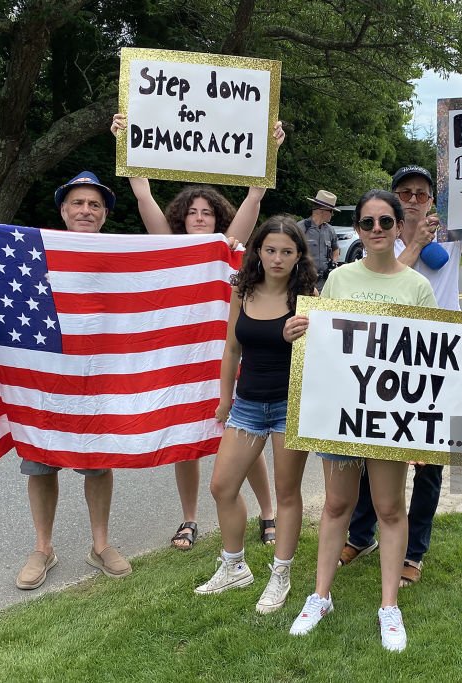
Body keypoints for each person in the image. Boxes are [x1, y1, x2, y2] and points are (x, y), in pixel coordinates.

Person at [0, 171, 132, 588]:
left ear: (104, 214)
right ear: (64, 209)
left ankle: (100, 545)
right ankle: (43, 548)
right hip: (45, 379)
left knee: (98, 465)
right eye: (78, 203)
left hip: (96, 380)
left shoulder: (122, 253)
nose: (86, 210)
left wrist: (215, 248)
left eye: (94, 205)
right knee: (41, 464)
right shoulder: (32, 251)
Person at [110, 113, 283, 551]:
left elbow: (254, 199)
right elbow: (143, 195)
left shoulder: (228, 247)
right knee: (184, 441)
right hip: (182, 359)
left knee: (247, 437)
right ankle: (189, 520)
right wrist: (128, 144)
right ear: (180, 219)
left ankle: (268, 513)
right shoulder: (167, 248)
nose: (200, 218)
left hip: (226, 355)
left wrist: (270, 152)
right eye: (192, 212)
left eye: (208, 212)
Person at [285, 189, 437, 652]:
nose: (375, 230)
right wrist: (297, 333)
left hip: (390, 418)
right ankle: (320, 596)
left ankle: (389, 605)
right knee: (336, 506)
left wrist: (423, 439)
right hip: (341, 414)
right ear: (359, 229)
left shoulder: (417, 287)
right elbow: (324, 345)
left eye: (385, 223)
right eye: (367, 223)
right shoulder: (339, 280)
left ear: (397, 227)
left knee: (390, 509)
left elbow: (428, 362)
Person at [340, 165, 462, 588]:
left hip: (435, 362)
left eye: (422, 194)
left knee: (428, 465)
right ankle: (362, 535)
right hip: (382, 359)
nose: (414, 200)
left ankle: (414, 551)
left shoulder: (453, 234)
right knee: (368, 454)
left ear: (432, 200)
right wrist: (413, 242)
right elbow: (397, 280)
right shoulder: (378, 243)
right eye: (405, 193)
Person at [192, 216, 317, 613]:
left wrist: (298, 338)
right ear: (258, 251)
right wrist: (224, 397)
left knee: (286, 494)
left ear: (298, 256)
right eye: (270, 250)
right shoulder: (241, 290)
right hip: (246, 404)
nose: (277, 258)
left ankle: (280, 573)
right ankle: (234, 566)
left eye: (286, 251)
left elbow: (324, 355)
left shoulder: (306, 296)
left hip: (289, 406)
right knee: (222, 486)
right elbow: (232, 348)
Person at [296, 190, 340, 287]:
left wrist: (333, 264)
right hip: (303, 281)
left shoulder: (330, 230)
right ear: (322, 211)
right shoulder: (300, 228)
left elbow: (336, 250)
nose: (332, 214)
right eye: (331, 211)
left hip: (324, 282)